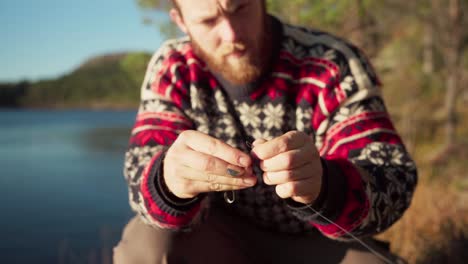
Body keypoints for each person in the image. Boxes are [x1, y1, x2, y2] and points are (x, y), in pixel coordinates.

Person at [114, 0, 418, 263]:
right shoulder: (173, 68)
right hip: (219, 236)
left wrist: (327, 185)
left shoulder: (333, 63)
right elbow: (140, 171)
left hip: (319, 241)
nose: (231, 34)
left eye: (241, 8)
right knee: (145, 247)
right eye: (208, 21)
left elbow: (392, 178)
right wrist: (169, 182)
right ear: (180, 21)